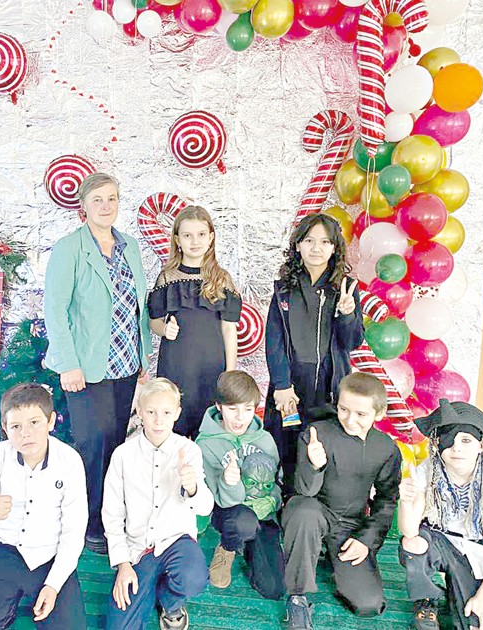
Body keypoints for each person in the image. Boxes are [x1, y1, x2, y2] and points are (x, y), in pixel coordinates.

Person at [44, 172, 152, 554]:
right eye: (98, 200)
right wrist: (67, 364)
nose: (106, 206)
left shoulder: (130, 247)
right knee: (93, 444)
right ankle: (90, 522)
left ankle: (110, 516)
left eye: (112, 198)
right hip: (85, 366)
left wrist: (143, 353)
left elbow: (137, 305)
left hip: (125, 361)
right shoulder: (69, 249)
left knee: (115, 442)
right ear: (84, 207)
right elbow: (55, 310)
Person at [0, 383, 87, 629]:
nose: (26, 433)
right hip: (2, 549)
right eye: (16, 426)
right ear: (5, 428)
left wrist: (53, 585)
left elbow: (74, 530)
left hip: (50, 555)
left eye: (34, 423)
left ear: (51, 421)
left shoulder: (69, 461)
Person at [282, 372, 401, 629]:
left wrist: (366, 540)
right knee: (304, 512)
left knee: (369, 604)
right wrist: (315, 466)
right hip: (313, 511)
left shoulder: (386, 448)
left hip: (350, 524)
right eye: (344, 409)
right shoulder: (317, 433)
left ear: (379, 414)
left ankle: (330, 559)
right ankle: (297, 596)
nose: (349, 419)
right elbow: (304, 491)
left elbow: (387, 500)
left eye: (361, 414)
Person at [398, 399, 483, 630]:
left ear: (481, 445)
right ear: (437, 443)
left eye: (466, 440)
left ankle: (457, 595)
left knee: (476, 623)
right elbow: (410, 531)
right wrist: (406, 502)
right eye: (449, 440)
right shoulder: (429, 469)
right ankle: (427, 600)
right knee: (413, 545)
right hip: (440, 540)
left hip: (479, 550)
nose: (456, 448)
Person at [102, 378, 213, 630]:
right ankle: (148, 585)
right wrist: (123, 565)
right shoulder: (123, 455)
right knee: (119, 627)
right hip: (139, 550)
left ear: (177, 414)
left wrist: (192, 487)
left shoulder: (189, 450)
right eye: (151, 412)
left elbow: (205, 508)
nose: (158, 420)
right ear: (139, 412)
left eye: (166, 413)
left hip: (176, 542)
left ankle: (170, 602)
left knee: (193, 577)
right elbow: (112, 514)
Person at [264, 213, 364, 494]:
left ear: (334, 248)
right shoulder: (284, 289)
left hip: (329, 387)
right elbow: (274, 340)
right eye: (309, 240)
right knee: (285, 446)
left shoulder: (345, 288)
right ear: (298, 245)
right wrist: (281, 385)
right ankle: (285, 502)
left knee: (324, 449)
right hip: (291, 386)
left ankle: (320, 505)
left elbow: (352, 342)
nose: (316, 248)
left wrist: (347, 314)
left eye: (325, 242)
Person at [148, 205, 242, 438]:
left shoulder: (221, 279)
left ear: (211, 238)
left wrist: (230, 371)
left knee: (209, 431)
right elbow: (153, 322)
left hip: (211, 367)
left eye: (201, 234)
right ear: (177, 240)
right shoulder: (167, 277)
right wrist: (164, 329)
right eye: (187, 235)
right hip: (176, 365)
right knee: (175, 430)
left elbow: (229, 329)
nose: (195, 241)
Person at [195, 370, 285, 599]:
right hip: (230, 513)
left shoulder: (264, 439)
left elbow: (277, 481)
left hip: (261, 513)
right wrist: (229, 481)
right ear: (219, 406)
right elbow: (220, 500)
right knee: (243, 522)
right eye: (232, 409)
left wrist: (272, 501)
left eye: (247, 409)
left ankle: (247, 546)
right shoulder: (206, 444)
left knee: (273, 588)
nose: (240, 418)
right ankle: (227, 548)